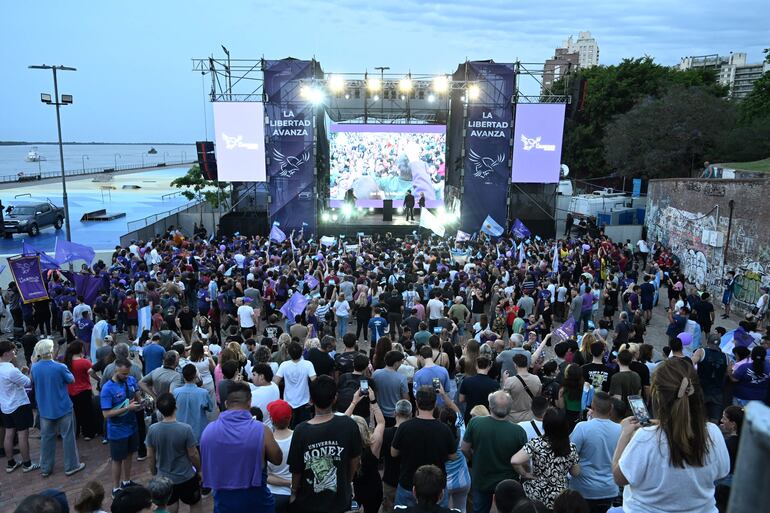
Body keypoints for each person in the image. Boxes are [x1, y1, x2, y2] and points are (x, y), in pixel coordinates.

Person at [611, 358, 730, 513]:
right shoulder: (713, 432)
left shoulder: (645, 437)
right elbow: (722, 473)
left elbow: (619, 478)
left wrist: (624, 436)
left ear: (657, 396)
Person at [200, 382, 282, 513]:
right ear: (249, 403)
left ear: (226, 404)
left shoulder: (209, 431)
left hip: (224, 504)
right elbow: (277, 459)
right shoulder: (262, 430)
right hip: (258, 503)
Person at [288, 375, 363, 513]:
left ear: (311, 400)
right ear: (335, 398)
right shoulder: (349, 425)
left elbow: (296, 469)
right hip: (339, 500)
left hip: (308, 502)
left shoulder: (301, 430)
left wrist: (293, 492)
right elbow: (355, 459)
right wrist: (347, 482)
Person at [462, 391, 528, 513]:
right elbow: (524, 460)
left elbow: (464, 448)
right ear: (509, 409)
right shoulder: (518, 431)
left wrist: (474, 458)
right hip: (507, 484)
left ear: (490, 406)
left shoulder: (475, 423)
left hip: (482, 481)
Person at [392, 385, 457, 508]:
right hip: (436, 486)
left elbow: (393, 453)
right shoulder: (444, 429)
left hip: (409, 483)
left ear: (416, 403)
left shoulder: (405, 427)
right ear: (435, 403)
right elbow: (453, 456)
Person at [30, 339, 86, 478]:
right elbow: (71, 379)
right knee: (68, 437)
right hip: (62, 407)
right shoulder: (60, 367)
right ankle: (71, 465)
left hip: (44, 408)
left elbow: (32, 381)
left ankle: (46, 468)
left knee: (46, 439)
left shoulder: (35, 367)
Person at [511, 408, 581, 509]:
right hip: (559, 496)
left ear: (545, 425)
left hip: (536, 494)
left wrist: (525, 474)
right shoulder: (570, 447)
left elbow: (515, 461)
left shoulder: (535, 443)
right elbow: (576, 472)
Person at [145, 393, 202, 513]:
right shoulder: (185, 429)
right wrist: (199, 470)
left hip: (164, 478)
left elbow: (150, 455)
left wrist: (154, 471)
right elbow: (193, 454)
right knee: (195, 503)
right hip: (186, 476)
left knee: (170, 505)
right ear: (175, 407)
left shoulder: (152, 429)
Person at [569, 392, 621, 513]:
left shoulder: (582, 427)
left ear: (593, 406)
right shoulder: (620, 429)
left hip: (584, 489)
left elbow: (570, 453)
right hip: (609, 489)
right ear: (611, 409)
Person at [101, 358, 143, 496]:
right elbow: (106, 414)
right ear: (115, 370)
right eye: (123, 374)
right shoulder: (107, 389)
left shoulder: (130, 380)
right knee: (117, 459)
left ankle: (126, 481)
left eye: (127, 373)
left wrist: (141, 402)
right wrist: (127, 408)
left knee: (130, 454)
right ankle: (115, 488)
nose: (126, 376)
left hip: (132, 426)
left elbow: (137, 396)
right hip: (117, 430)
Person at [0, 340, 39, 472]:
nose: (14, 352)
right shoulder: (10, 370)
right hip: (18, 405)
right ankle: (27, 464)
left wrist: (19, 371)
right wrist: (30, 368)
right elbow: (28, 382)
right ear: (6, 353)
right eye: (12, 350)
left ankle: (11, 463)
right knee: (23, 435)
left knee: (9, 433)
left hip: (5, 406)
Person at [274, 341, 316, 427]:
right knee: (304, 428)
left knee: (290, 427)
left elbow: (275, 383)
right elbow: (315, 382)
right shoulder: (308, 364)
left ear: (288, 353)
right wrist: (314, 398)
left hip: (288, 402)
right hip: (305, 401)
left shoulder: (284, 365)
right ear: (302, 352)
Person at [382, 399, 412, 513]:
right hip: (407, 481)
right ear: (410, 414)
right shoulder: (412, 432)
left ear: (395, 413)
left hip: (390, 479)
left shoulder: (386, 433)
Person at [266, 400, 293, 513]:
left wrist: (288, 483)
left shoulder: (266, 443)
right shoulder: (299, 437)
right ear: (290, 418)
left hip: (273, 494)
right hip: (296, 493)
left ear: (271, 420)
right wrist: (291, 483)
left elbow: (265, 476)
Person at [372, 350, 409, 427]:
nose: (401, 364)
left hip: (379, 413)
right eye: (400, 362)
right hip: (395, 415)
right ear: (395, 363)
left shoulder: (376, 374)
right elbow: (406, 399)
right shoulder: (401, 378)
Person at [458, 355, 499, 425]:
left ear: (476, 366)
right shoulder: (494, 384)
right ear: (489, 367)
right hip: (487, 416)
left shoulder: (467, 381)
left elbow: (461, 399)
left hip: (470, 415)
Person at [503, 354, 542, 423]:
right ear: (527, 364)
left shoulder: (509, 381)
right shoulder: (536, 379)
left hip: (513, 419)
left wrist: (504, 382)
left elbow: (504, 400)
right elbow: (538, 397)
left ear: (515, 365)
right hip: (530, 418)